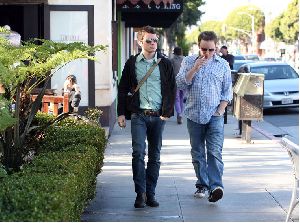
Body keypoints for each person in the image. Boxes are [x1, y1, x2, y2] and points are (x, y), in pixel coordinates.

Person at [117, 25, 176, 208]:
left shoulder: (165, 64)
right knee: (138, 154)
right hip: (139, 115)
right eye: (149, 40)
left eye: (155, 40)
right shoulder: (132, 63)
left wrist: (167, 112)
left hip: (158, 117)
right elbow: (123, 88)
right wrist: (120, 113)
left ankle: (151, 193)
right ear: (140, 42)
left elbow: (172, 88)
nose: (153, 43)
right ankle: (140, 194)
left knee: (155, 156)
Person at [176, 31, 232, 203]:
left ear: (216, 48)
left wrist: (221, 110)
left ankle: (216, 187)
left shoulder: (222, 65)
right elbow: (180, 84)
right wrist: (195, 68)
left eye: (211, 50)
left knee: (214, 151)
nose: (207, 53)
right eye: (203, 49)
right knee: (197, 152)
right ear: (198, 46)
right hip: (193, 115)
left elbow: (227, 91)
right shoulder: (188, 61)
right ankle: (202, 184)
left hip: (214, 115)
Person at [170, 46, 185, 124]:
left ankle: (179, 113)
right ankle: (180, 114)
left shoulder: (172, 60)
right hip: (184, 80)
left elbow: (170, 72)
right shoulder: (185, 60)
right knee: (181, 98)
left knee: (176, 98)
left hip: (175, 81)